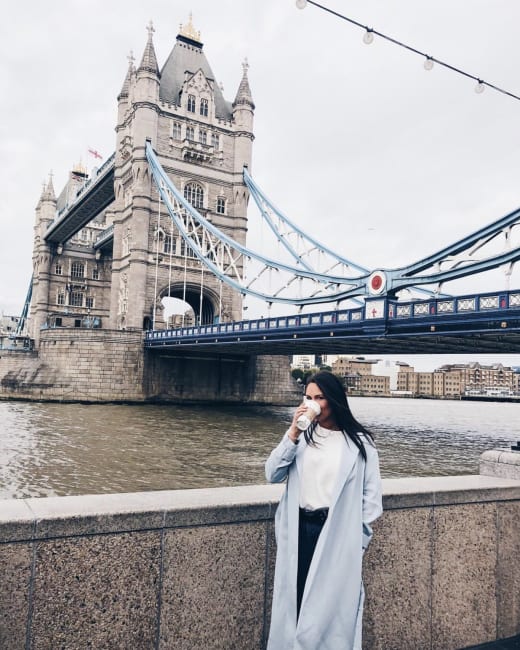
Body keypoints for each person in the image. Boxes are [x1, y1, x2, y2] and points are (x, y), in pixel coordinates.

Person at [265, 371, 383, 650]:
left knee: (329, 613)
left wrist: (358, 542)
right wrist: (293, 431)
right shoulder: (302, 437)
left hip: (336, 536)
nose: (313, 403)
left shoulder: (361, 444)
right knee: (295, 601)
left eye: (319, 397)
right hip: (299, 531)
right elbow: (272, 473)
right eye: (308, 397)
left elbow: (371, 498)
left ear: (334, 400)